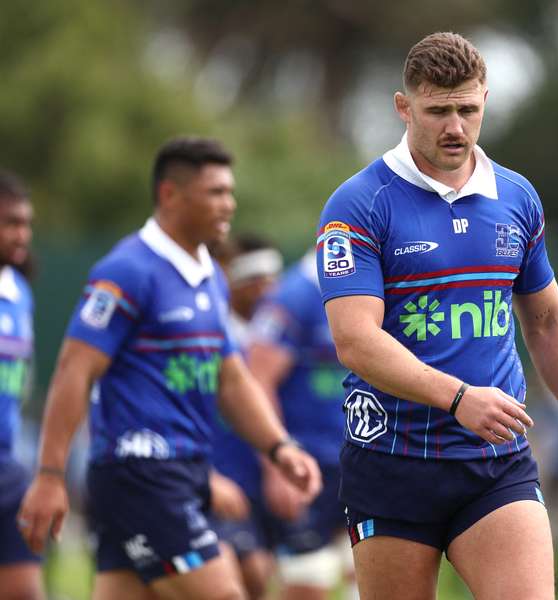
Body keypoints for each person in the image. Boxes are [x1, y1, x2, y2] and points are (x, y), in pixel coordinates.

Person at [316, 32, 558, 600]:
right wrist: (459, 397)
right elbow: (355, 341)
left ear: (484, 103)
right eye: (437, 110)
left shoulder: (516, 197)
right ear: (404, 108)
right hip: (392, 460)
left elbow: (547, 321)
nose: (454, 126)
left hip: (494, 461)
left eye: (467, 109)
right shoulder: (360, 204)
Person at [16, 137, 322, 600]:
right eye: (215, 192)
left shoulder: (212, 277)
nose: (229, 204)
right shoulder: (127, 271)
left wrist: (280, 448)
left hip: (185, 470)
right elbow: (73, 372)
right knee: (228, 593)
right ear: (170, 195)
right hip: (140, 472)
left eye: (229, 192)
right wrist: (51, 475)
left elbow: (232, 379)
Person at [246, 249, 355, 600]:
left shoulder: (369, 287)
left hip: (362, 458)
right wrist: (276, 464)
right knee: (308, 578)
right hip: (307, 463)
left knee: (369, 573)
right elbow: (256, 380)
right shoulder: (295, 295)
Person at [208, 234, 285, 600]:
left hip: (263, 476)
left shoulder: (277, 338)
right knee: (246, 575)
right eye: (255, 280)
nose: (266, 289)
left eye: (272, 279)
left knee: (264, 575)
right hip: (222, 476)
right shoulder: (213, 333)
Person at [0, 170, 42, 600]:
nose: (22, 234)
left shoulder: (19, 292)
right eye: (10, 222)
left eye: (26, 223)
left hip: (9, 465)